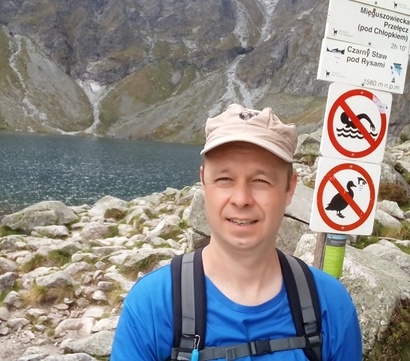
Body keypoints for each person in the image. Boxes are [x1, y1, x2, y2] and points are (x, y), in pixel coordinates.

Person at [111, 103, 362, 361]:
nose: (241, 199)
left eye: (261, 180)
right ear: (203, 182)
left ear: (289, 188)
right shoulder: (152, 305)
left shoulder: (331, 305)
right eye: (224, 179)